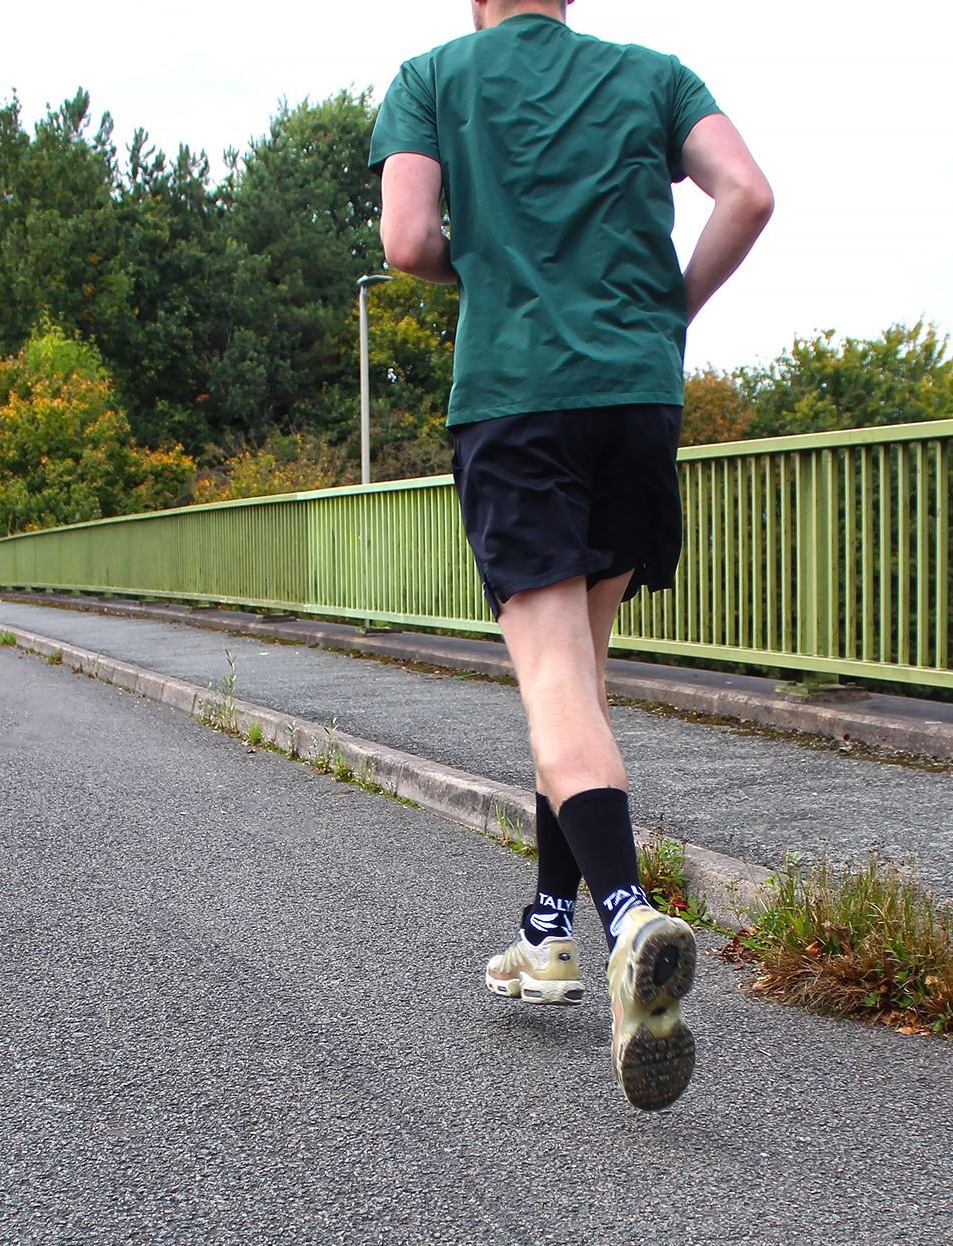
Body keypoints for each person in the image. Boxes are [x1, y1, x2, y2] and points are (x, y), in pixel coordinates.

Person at [369, 0, 772, 1110]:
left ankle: (625, 917)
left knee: (551, 686)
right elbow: (747, 193)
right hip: (635, 401)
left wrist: (499, 262)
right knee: (579, 688)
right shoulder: (651, 73)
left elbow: (406, 242)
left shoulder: (436, 75)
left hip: (519, 397)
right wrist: (664, 311)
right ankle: (546, 939)